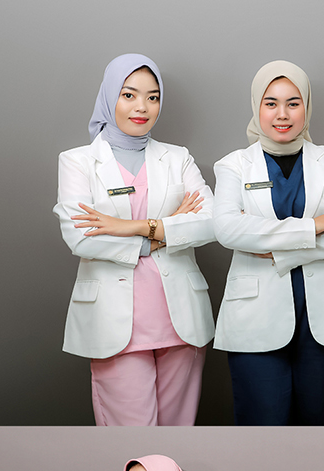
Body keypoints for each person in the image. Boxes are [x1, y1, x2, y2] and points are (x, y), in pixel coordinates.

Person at [54, 54, 216, 426]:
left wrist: (132, 227)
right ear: (110, 96)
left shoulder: (178, 158)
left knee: (179, 430)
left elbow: (211, 222)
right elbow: (82, 237)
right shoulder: (77, 161)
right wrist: (167, 228)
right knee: (131, 433)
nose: (142, 107)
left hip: (181, 320)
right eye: (129, 95)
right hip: (114, 322)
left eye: (153, 97)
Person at [212, 61, 324, 425]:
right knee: (260, 426)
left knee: (317, 425)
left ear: (306, 107)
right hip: (254, 318)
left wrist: (270, 246)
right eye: (271, 103)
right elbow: (228, 229)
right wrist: (314, 227)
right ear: (257, 106)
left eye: (293, 103)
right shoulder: (234, 165)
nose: (282, 114)